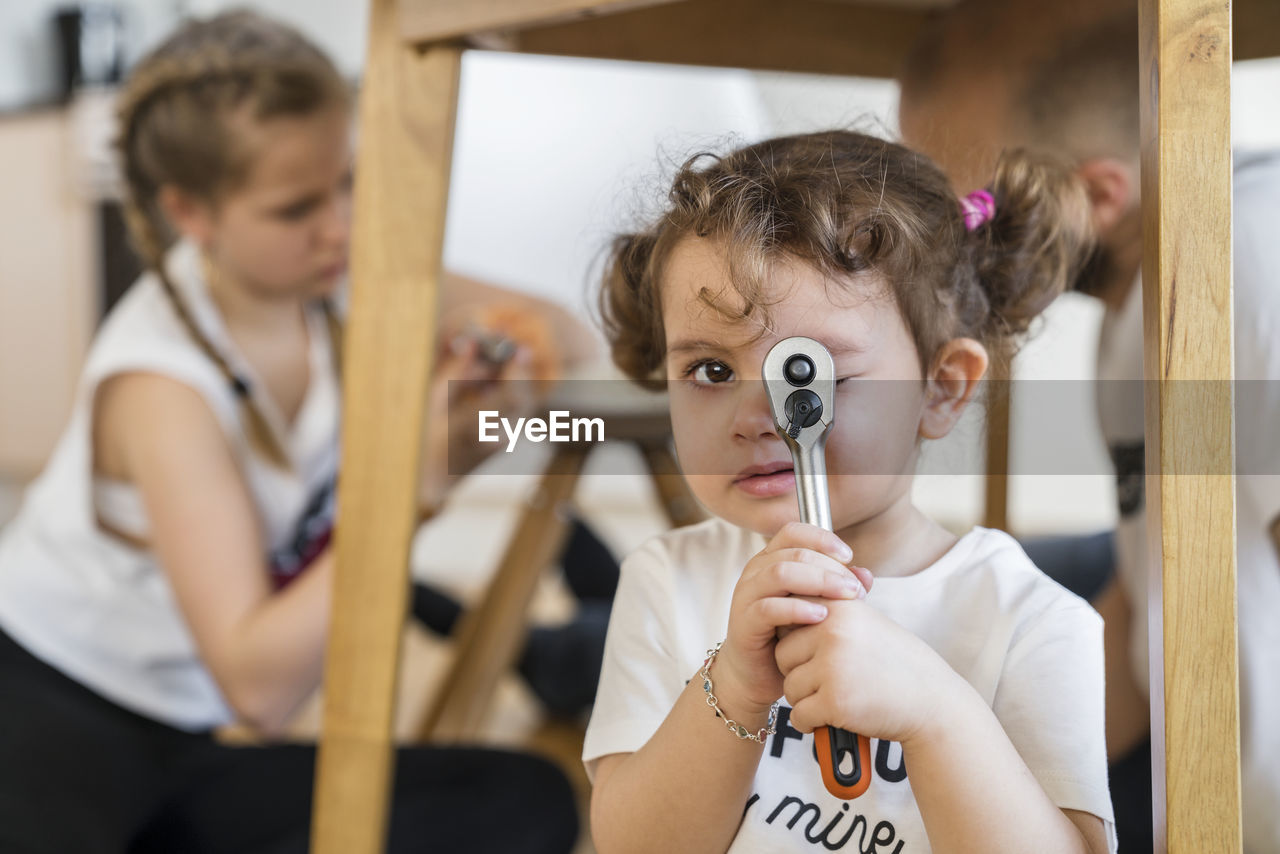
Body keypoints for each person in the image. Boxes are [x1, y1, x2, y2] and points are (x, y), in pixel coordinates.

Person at [0, 11, 582, 853]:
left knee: (528, 800)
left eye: (349, 182)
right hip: (46, 708)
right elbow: (260, 689)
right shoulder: (162, 386)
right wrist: (410, 486)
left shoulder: (341, 281)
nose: (341, 225)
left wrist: (505, 356)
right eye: (296, 206)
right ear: (190, 213)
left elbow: (562, 330)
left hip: (189, 744)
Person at [583, 130, 1116, 853]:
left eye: (805, 375)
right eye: (710, 370)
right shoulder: (667, 582)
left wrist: (936, 714)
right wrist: (735, 686)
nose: (754, 417)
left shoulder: (1031, 622)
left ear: (940, 388)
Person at [898, 5, 1280, 851]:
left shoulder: (1246, 261)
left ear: (1102, 195)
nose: (932, 255)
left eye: (962, 217)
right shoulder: (1138, 307)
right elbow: (1147, 608)